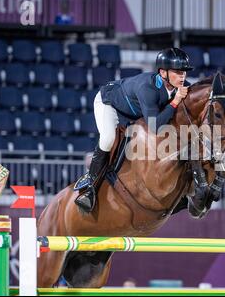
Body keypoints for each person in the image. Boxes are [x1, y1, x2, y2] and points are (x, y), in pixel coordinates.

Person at [74, 48, 193, 213]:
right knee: (108, 138)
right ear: (163, 73)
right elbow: (156, 126)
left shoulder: (181, 87)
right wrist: (176, 101)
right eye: (178, 72)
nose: (183, 76)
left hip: (136, 113)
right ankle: (90, 188)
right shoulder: (148, 88)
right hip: (110, 104)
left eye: (184, 72)